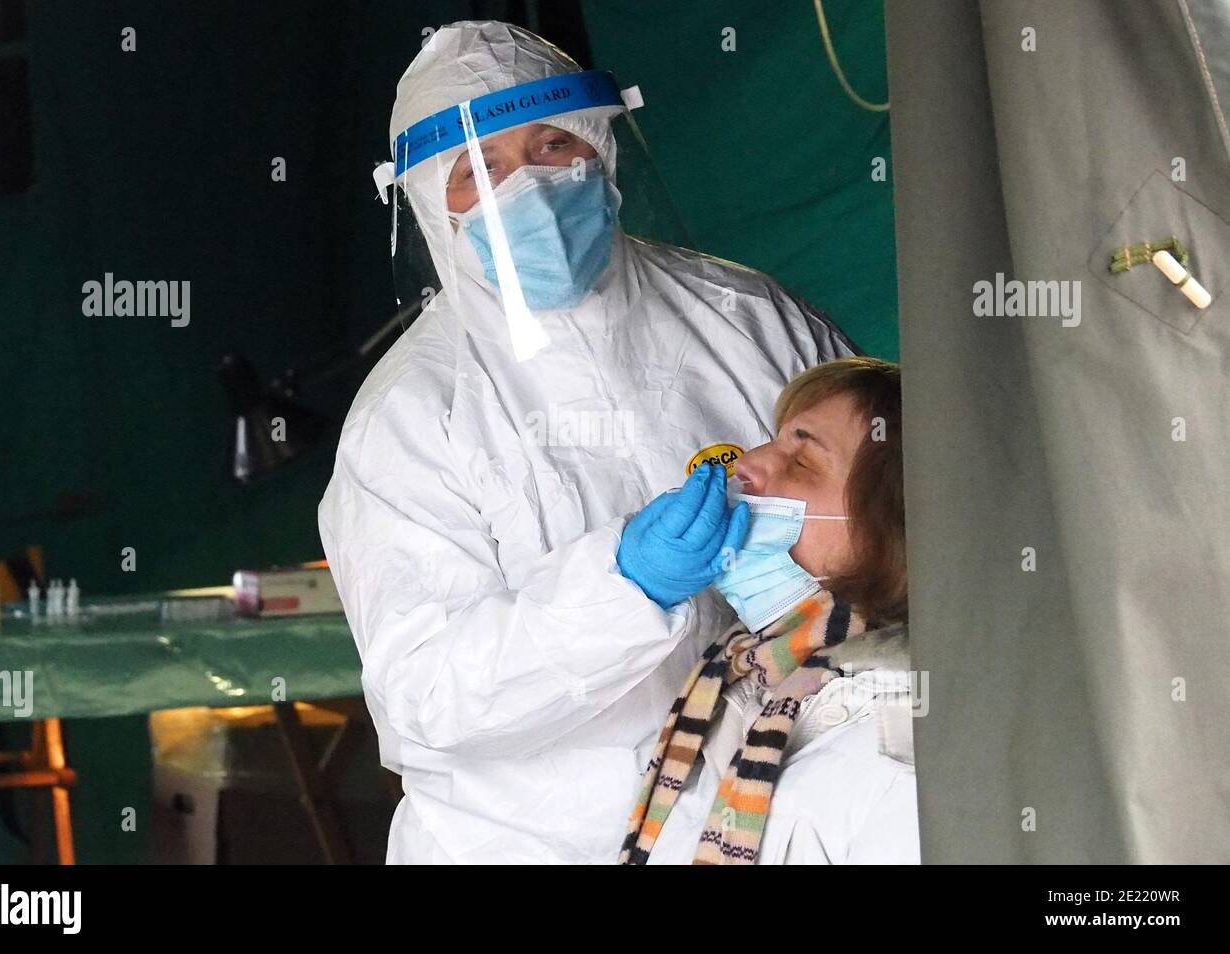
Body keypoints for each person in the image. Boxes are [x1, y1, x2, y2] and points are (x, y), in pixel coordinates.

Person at [318, 20, 856, 864]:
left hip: (776, 815)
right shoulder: (410, 416)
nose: (528, 185)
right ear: (427, 201)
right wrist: (624, 589)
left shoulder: (749, 320)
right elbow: (429, 698)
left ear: (602, 149)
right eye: (480, 170)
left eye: (551, 143)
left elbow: (891, 503)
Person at [620, 357, 918, 864]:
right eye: (774, 440)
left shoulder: (906, 763)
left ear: (892, 533)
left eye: (802, 461)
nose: (747, 464)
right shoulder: (734, 683)